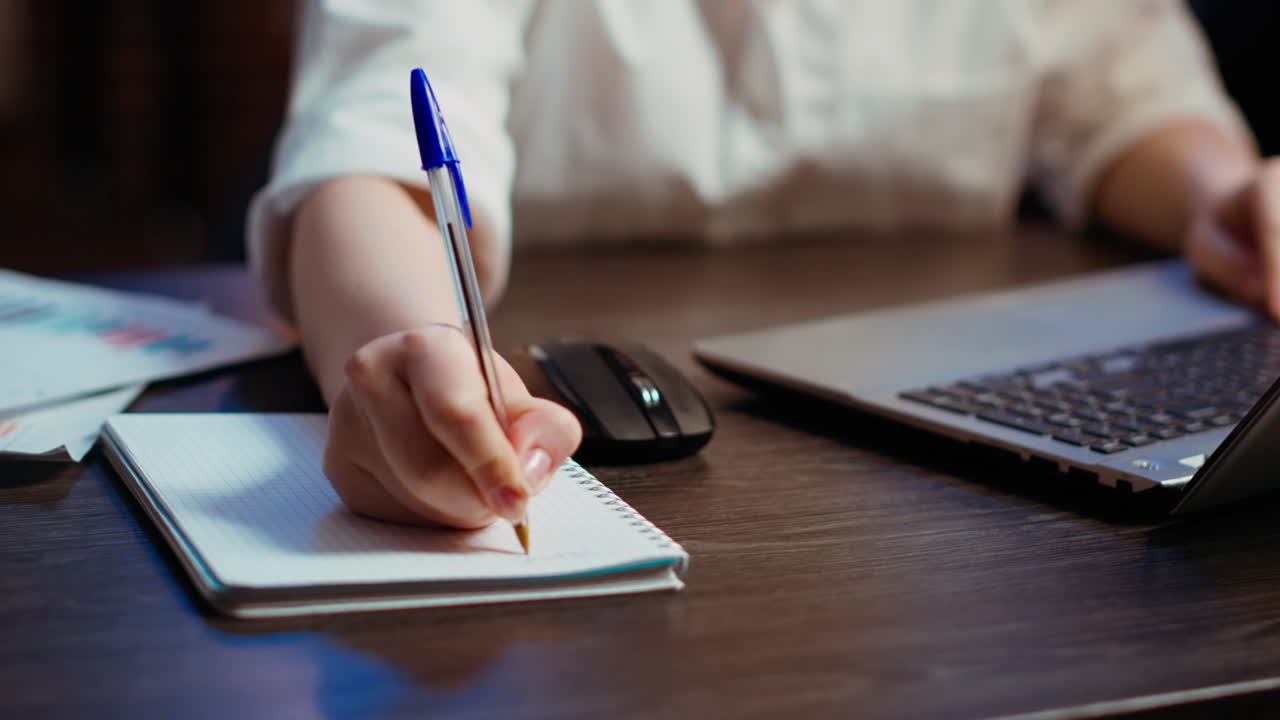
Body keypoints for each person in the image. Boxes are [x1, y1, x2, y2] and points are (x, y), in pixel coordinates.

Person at [247, 0, 1280, 532]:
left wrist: (1226, 194)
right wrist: (412, 345)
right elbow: (372, 155)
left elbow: (1122, 95)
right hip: (587, 445)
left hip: (950, 506)